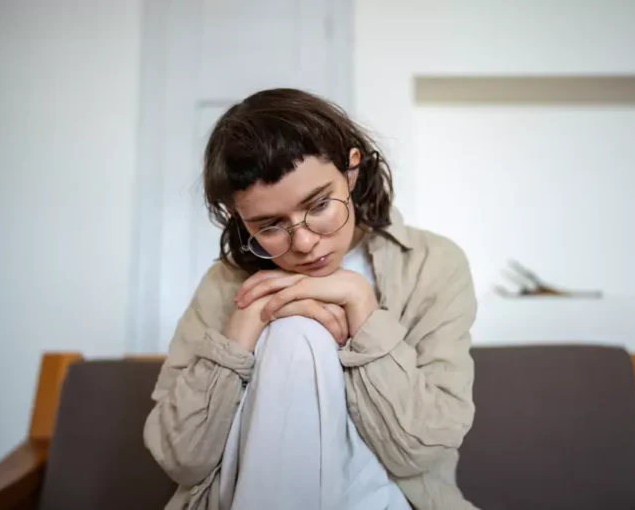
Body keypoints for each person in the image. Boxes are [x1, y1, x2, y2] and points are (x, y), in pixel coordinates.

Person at [143, 88, 478, 510]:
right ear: (239, 221)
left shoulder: (432, 264)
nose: (303, 242)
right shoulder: (225, 284)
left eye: (319, 205)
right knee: (295, 331)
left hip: (390, 497)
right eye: (269, 226)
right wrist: (244, 327)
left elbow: (420, 448)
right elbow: (180, 459)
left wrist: (362, 306)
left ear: (351, 171)